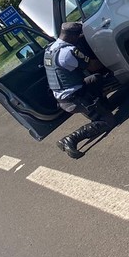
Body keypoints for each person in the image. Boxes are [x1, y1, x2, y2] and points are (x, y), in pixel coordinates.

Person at [43, 22, 115, 159]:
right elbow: (93, 66)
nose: (80, 37)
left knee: (96, 79)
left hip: (65, 96)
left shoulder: (50, 50)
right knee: (108, 121)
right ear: (72, 36)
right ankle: (70, 139)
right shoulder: (68, 52)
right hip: (75, 98)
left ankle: (101, 107)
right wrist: (110, 56)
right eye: (78, 35)